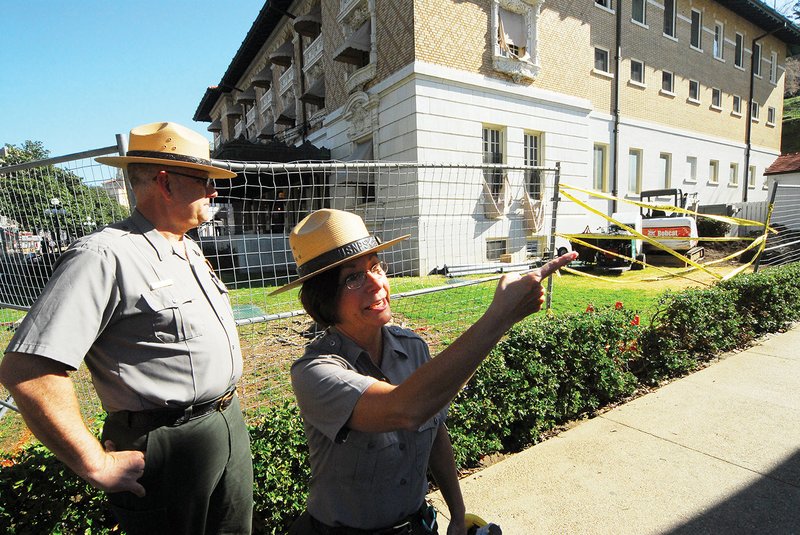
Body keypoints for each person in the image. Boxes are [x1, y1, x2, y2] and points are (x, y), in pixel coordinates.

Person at [0, 122, 253, 535]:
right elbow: (27, 370)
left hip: (226, 422)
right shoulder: (103, 256)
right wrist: (92, 463)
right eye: (205, 180)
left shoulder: (186, 247)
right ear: (166, 183)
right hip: (164, 443)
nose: (214, 191)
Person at [276, 209, 576, 534]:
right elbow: (405, 410)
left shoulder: (413, 348)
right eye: (353, 277)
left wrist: (458, 514)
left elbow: (433, 433)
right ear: (323, 299)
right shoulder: (314, 373)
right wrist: (500, 317)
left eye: (376, 266)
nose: (377, 283)